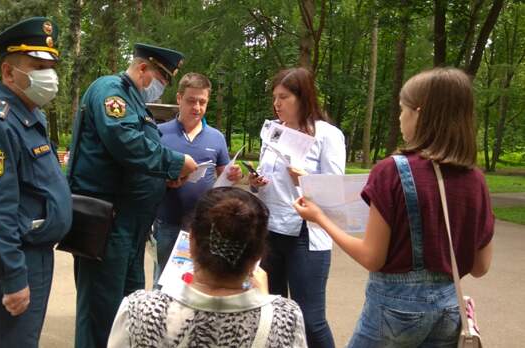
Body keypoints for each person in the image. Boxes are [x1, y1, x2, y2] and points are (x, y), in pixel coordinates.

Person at [294, 67, 494, 347]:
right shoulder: (475, 179)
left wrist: (320, 217)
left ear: (419, 113)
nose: (400, 118)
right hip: (449, 310)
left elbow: (371, 257)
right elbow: (481, 266)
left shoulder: (392, 171)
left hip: (395, 311)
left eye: (403, 109)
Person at [68, 43, 199, 348]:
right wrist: (175, 163)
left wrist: (163, 179)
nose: (162, 87)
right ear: (143, 69)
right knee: (101, 313)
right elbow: (125, 142)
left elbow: (133, 161)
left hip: (131, 227)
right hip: (108, 224)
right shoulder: (111, 91)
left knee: (129, 310)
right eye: (162, 79)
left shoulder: (135, 102)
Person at [0, 17, 72, 347]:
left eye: (50, 67)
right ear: (9, 73)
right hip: (12, 259)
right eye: (37, 66)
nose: (49, 77)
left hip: (32, 254)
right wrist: (12, 276)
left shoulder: (28, 115)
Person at [107, 187, 308, 347]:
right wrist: (266, 305)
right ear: (258, 254)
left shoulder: (140, 310)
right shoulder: (286, 318)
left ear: (191, 240)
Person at [249, 67, 345, 348]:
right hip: (270, 231)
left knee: (310, 320)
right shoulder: (272, 131)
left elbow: (336, 192)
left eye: (283, 97)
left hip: (306, 235)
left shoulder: (327, 135)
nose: (276, 104)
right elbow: (268, 180)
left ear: (303, 98)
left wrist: (305, 180)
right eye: (274, 97)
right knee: (274, 312)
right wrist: (256, 182)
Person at [154, 72, 242, 284]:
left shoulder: (216, 137)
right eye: (191, 101)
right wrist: (166, 182)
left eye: (202, 102)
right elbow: (147, 175)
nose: (197, 108)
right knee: (164, 280)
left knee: (200, 283)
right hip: (167, 221)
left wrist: (233, 176)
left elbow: (224, 179)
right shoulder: (159, 133)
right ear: (178, 99)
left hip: (204, 224)